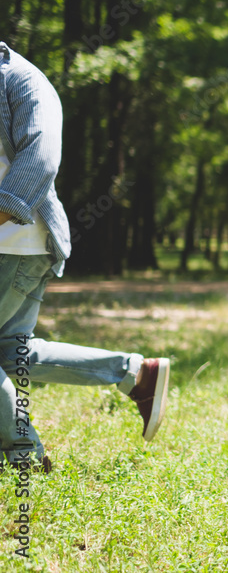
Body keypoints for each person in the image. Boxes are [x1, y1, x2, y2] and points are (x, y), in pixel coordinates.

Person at [0, 41, 170, 472]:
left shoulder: (23, 80)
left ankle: (22, 456)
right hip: (17, 246)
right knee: (14, 352)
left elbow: (42, 154)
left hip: (15, 242)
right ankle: (135, 373)